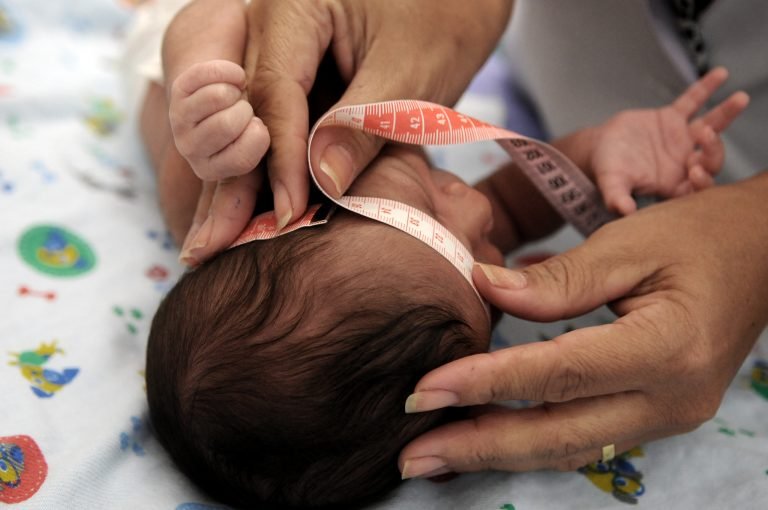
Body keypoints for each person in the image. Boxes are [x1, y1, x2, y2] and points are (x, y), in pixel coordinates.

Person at [134, 0, 750, 505]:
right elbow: (511, 203)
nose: (484, 214)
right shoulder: (434, 280)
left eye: (429, 201)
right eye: (486, 271)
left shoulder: (219, 187)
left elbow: (195, 27)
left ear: (283, 214)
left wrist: (203, 101)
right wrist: (599, 154)